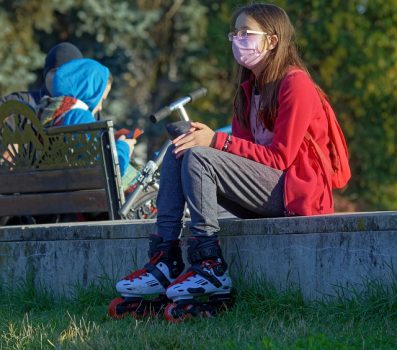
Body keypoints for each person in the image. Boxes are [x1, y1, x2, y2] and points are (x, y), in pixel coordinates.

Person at [109, 3, 350, 321]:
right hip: (262, 191)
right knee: (179, 149)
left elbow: (279, 159)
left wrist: (214, 141)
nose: (238, 39)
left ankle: (210, 264)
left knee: (199, 155)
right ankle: (165, 257)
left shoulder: (296, 84)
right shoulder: (249, 90)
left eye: (246, 33)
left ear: (273, 40)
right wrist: (205, 141)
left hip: (294, 195)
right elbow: (240, 155)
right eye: (234, 33)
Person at [38, 58, 136, 178]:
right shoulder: (79, 117)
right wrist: (123, 148)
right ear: (90, 91)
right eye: (101, 99)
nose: (100, 108)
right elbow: (107, 171)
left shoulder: (50, 111)